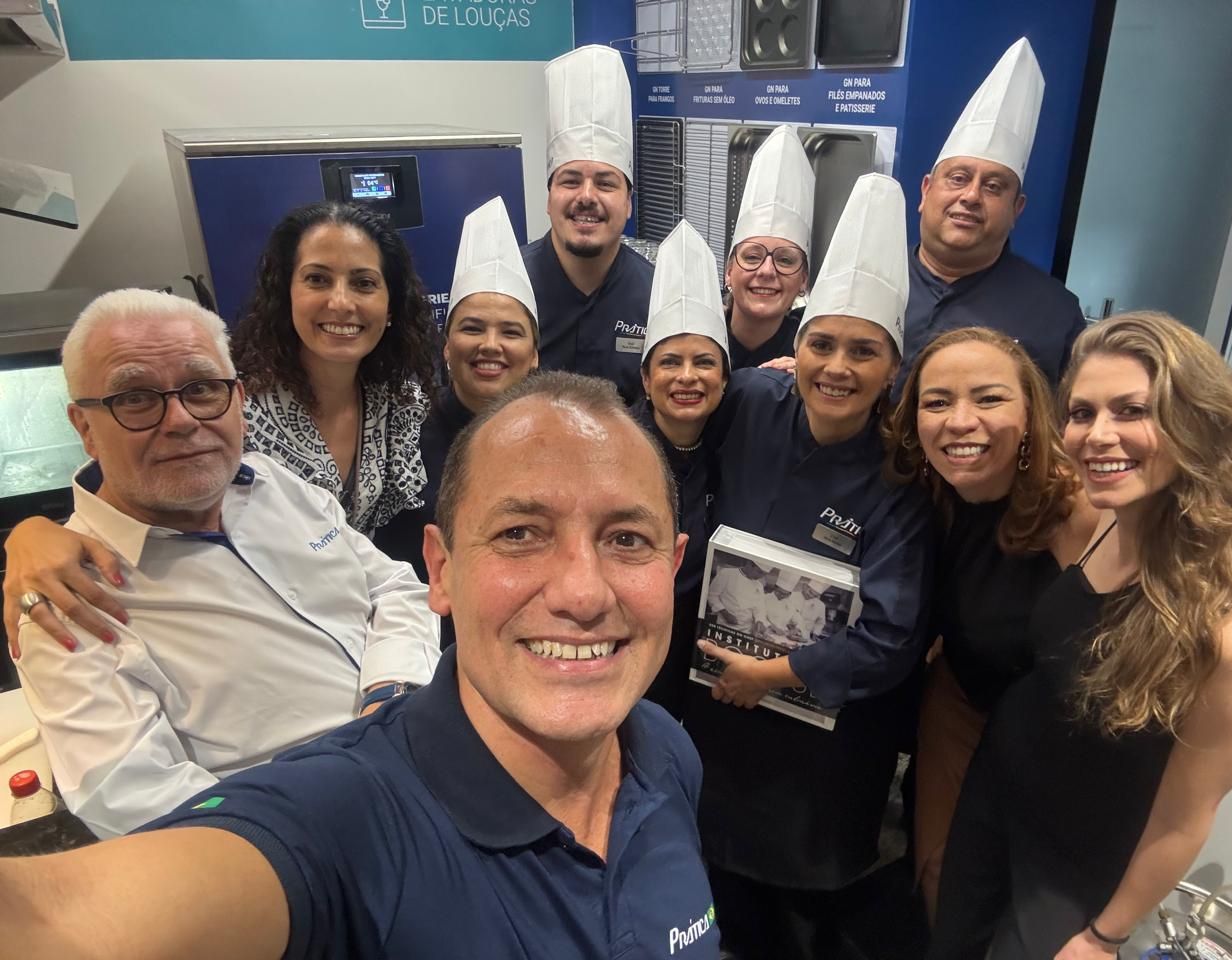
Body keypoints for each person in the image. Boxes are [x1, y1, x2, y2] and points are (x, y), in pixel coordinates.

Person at [0, 372, 720, 960]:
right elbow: (59, 919)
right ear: (441, 570)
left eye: (627, 538)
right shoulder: (348, 823)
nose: (583, 592)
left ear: (674, 565)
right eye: (520, 533)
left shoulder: (662, 748)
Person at [12, 289, 440, 838]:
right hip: (310, 844)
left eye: (202, 389)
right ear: (85, 427)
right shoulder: (66, 596)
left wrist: (392, 691)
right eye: (137, 398)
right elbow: (134, 797)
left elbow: (397, 589)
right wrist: (344, 812)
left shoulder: (272, 483)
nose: (182, 420)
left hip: (421, 749)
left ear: (237, 398)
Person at [930, 312, 1232, 959]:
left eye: (1131, 410)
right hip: (998, 795)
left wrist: (1104, 935)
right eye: (1083, 413)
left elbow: (1184, 818)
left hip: (1080, 867)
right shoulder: (1111, 517)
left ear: (1194, 423)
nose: (1098, 435)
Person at [683, 173, 935, 960]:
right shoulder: (751, 404)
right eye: (822, 343)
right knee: (711, 890)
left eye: (864, 351)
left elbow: (892, 639)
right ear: (798, 344)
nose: (837, 366)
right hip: (719, 715)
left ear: (894, 367)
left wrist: (775, 673)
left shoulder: (902, 473)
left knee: (797, 921)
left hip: (824, 751)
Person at [884, 326, 1099, 921]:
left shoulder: (1078, 506)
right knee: (942, 882)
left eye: (988, 398)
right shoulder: (935, 488)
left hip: (1062, 741)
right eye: (937, 401)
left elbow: (1199, 582)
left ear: (1032, 410)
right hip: (963, 704)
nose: (959, 421)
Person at [231, 201, 440, 547]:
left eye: (363, 283)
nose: (341, 302)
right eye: (317, 279)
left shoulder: (399, 402)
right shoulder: (233, 406)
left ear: (391, 307)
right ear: (286, 295)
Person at [899, 37, 1085, 391]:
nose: (970, 196)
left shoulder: (1055, 313)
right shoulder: (871, 280)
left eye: (994, 186)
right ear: (925, 190)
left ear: (1017, 209)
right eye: (958, 178)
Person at [373, 196, 540, 584]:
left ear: (534, 354)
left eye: (511, 332)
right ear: (447, 345)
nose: (490, 345)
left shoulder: (554, 438)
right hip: (421, 632)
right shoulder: (401, 435)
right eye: (472, 328)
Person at [631, 219, 730, 719]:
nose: (687, 377)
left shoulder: (733, 445)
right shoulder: (617, 452)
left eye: (705, 363)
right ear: (646, 379)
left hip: (703, 649)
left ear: (725, 379)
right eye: (670, 362)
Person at [523, 44, 653, 403]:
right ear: (548, 199)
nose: (587, 196)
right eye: (570, 180)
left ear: (628, 204)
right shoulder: (508, 287)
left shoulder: (658, 297)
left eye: (606, 183)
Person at [723, 124, 814, 368]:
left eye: (785, 260)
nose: (766, 271)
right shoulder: (699, 341)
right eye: (752, 257)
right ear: (729, 271)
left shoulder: (813, 358)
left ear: (803, 280)